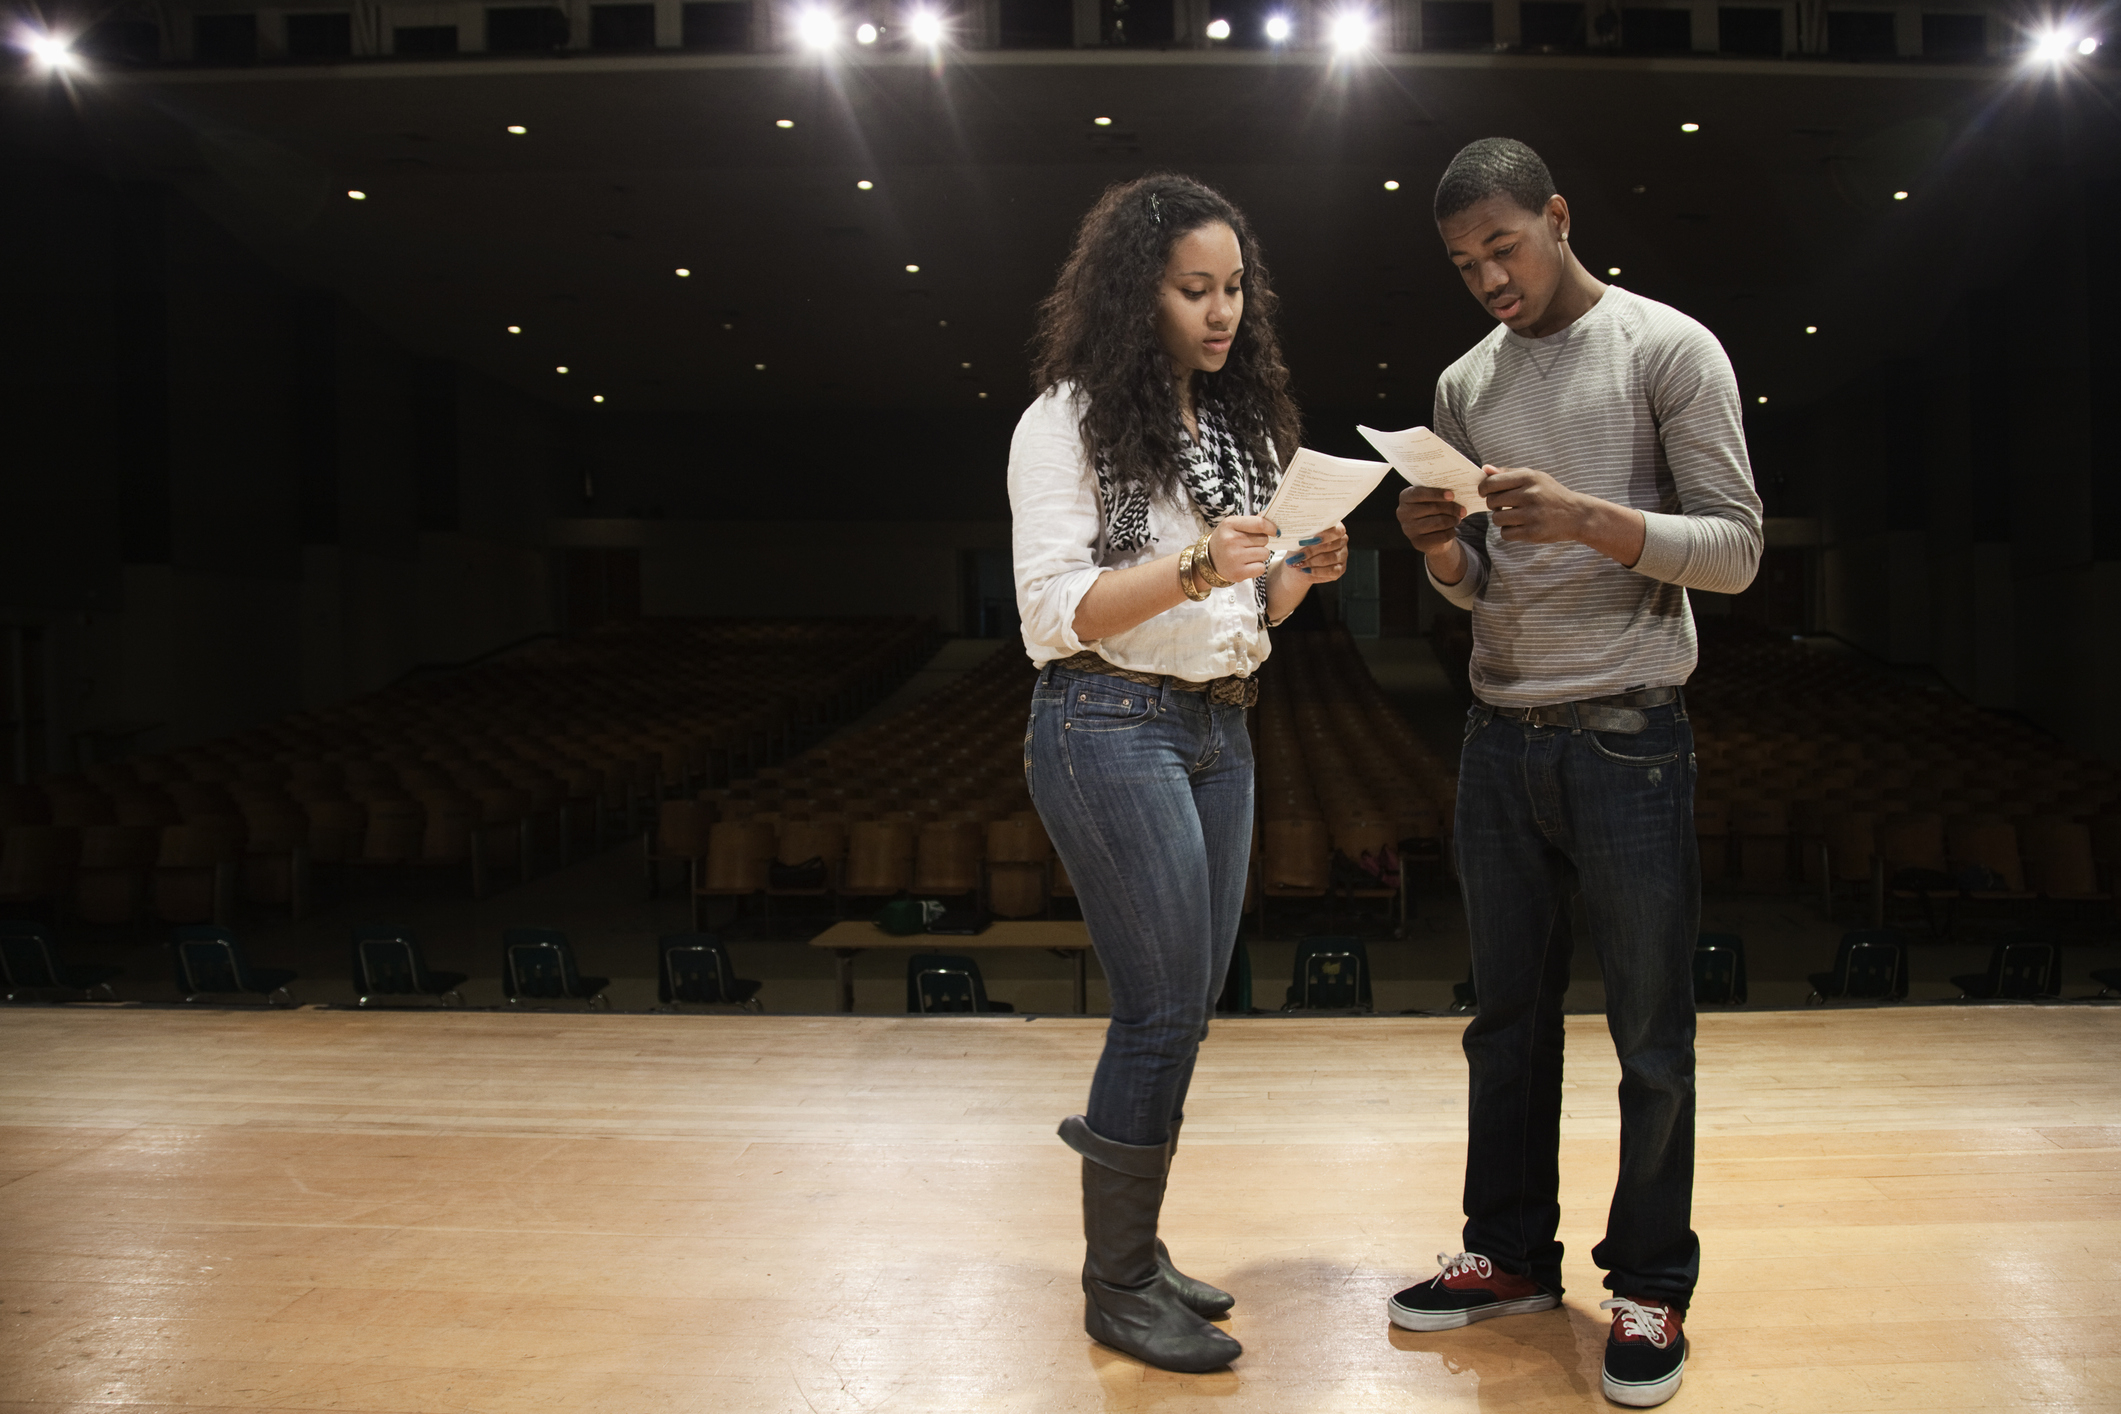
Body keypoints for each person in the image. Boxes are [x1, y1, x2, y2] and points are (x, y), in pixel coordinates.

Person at [1388, 138, 1763, 1409]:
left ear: (1557, 215)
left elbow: (1738, 549)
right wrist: (1442, 553)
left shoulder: (1668, 346)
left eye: (1503, 245)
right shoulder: (1463, 382)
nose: (1487, 276)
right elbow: (1481, 581)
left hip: (1629, 733)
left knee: (1651, 1031)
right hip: (1501, 737)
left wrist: (1593, 516)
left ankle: (1649, 1280)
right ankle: (1509, 1255)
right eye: (1462, 262)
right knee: (1506, 1021)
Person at [1010, 173, 1348, 1374]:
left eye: (1234, 287)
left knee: (1187, 1008)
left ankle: (1141, 1253)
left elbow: (1241, 615)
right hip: (1104, 720)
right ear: (1133, 291)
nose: (1220, 310)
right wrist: (1205, 563)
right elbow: (1057, 614)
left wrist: (1299, 567)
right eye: (1193, 288)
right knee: (1158, 1006)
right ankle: (1114, 1285)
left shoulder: (1241, 432)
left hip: (1220, 725)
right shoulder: (1066, 421)